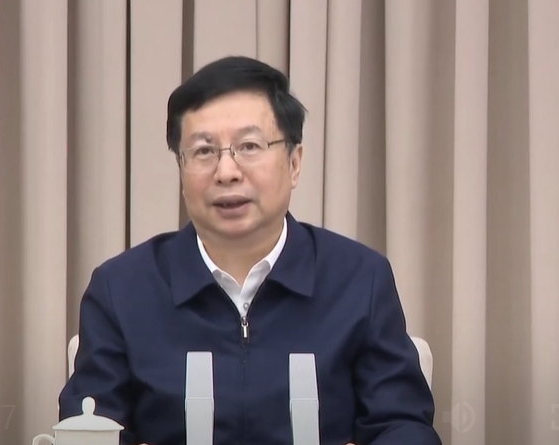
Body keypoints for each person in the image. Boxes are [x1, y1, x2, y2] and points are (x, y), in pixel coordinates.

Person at [58, 55, 441, 445]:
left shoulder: (359, 279)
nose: (226, 172)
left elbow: (403, 426)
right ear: (181, 169)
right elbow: (88, 428)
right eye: (204, 151)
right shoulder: (122, 289)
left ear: (294, 163)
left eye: (249, 146)